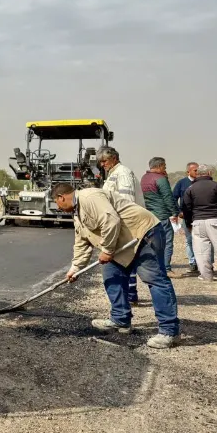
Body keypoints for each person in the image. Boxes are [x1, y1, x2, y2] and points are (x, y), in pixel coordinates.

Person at [52, 183, 180, 349]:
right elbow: (82, 241)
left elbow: (111, 221)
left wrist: (107, 250)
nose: (58, 207)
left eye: (56, 203)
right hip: (121, 242)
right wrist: (75, 268)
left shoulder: (89, 197)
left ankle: (169, 331)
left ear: (61, 197)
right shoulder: (77, 213)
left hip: (143, 234)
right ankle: (120, 319)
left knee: (155, 279)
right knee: (112, 275)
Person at [97, 146, 144, 304]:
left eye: (104, 161)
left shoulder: (123, 173)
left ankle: (130, 295)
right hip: (121, 222)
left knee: (126, 258)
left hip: (127, 223)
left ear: (114, 158)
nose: (102, 164)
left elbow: (127, 202)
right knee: (123, 258)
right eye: (100, 162)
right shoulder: (113, 173)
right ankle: (128, 294)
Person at [181, 164, 217, 283]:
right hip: (215, 222)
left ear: (198, 174)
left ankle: (207, 276)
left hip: (197, 223)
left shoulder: (190, 189)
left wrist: (188, 224)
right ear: (209, 173)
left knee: (201, 252)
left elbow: (186, 209)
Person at [141, 157, 180, 277]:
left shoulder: (144, 178)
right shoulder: (160, 179)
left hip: (149, 216)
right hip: (162, 215)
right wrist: (175, 212)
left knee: (153, 243)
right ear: (159, 166)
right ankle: (166, 269)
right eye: (164, 166)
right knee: (167, 242)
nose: (165, 168)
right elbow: (168, 197)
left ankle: (155, 268)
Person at [173, 162, 209, 275]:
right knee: (189, 240)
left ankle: (208, 264)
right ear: (188, 171)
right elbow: (173, 198)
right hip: (187, 216)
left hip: (201, 215)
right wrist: (178, 212)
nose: (197, 172)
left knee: (206, 240)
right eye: (195, 170)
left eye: (198, 170)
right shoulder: (182, 183)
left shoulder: (203, 182)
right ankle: (193, 263)